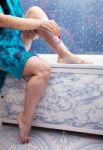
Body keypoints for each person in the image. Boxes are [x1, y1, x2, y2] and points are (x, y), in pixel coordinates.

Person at [0, 0, 89, 144]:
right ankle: (24, 118)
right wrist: (38, 25)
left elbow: (15, 22)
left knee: (35, 11)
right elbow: (2, 20)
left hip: (14, 43)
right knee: (43, 69)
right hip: (2, 49)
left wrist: (33, 27)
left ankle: (64, 54)